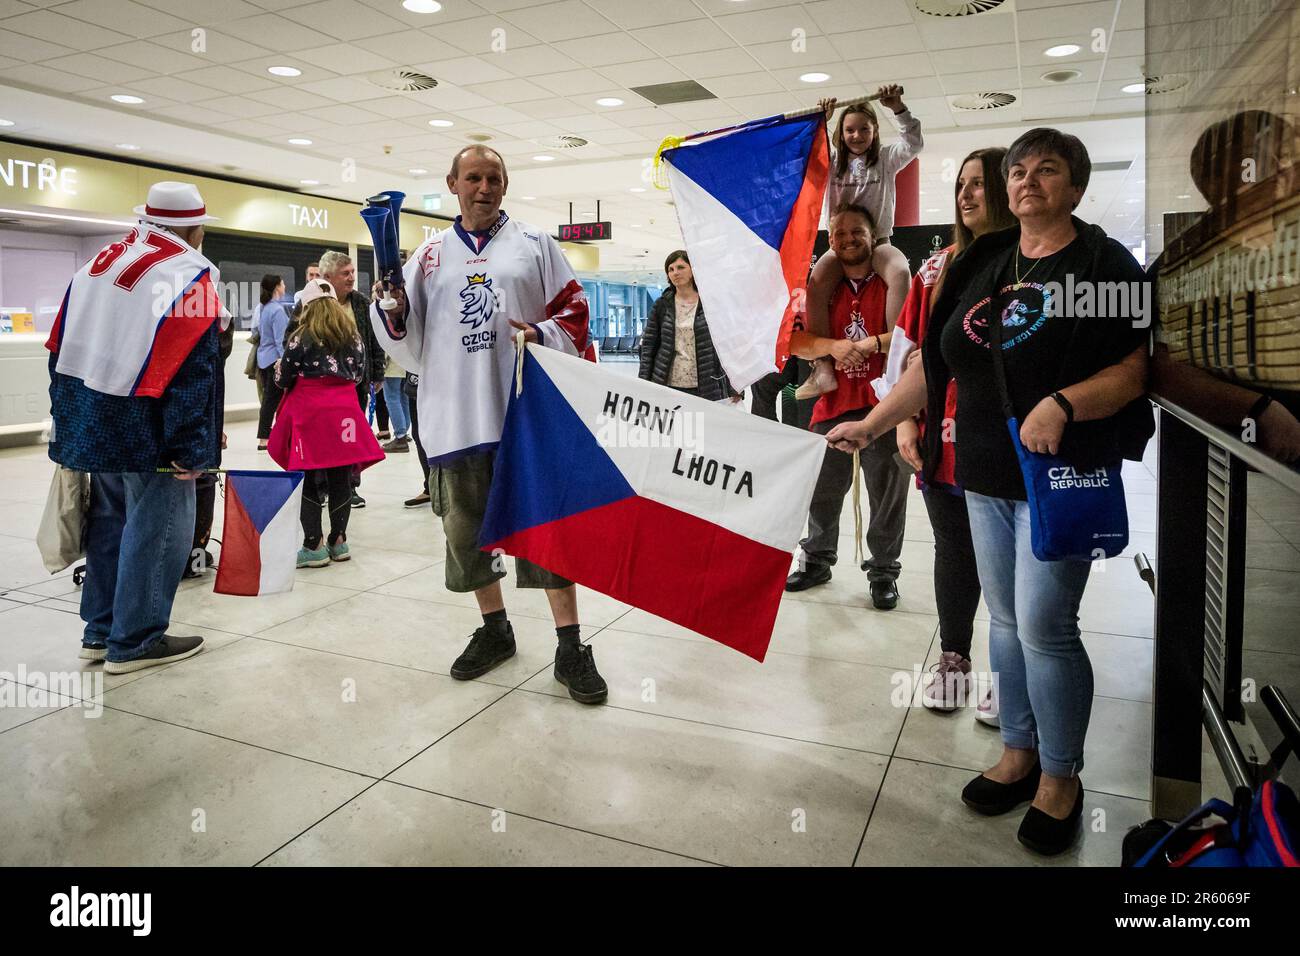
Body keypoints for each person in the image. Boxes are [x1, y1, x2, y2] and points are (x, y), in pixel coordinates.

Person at [828, 129, 1153, 855]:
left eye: (1047, 170)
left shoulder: (1102, 261)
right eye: (1018, 171)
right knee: (1003, 622)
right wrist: (875, 423)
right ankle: (1017, 751)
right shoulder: (981, 260)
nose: (1027, 180)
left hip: (1058, 472)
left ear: (1075, 185)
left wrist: (1066, 404)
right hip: (981, 472)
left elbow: (1136, 369)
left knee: (1045, 625)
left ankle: (1061, 777)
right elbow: (935, 369)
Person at [371, 143, 608, 705]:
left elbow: (575, 314)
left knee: (546, 533)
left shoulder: (535, 245)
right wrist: (393, 313)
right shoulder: (428, 256)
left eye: (494, 178)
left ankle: (570, 645)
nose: (484, 187)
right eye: (473, 177)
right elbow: (407, 337)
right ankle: (495, 629)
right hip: (454, 415)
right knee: (466, 531)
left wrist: (539, 333)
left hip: (526, 414)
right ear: (452, 183)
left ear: (506, 184)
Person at [46, 181, 225, 674]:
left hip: (94, 423)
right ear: (196, 228)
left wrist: (69, 426)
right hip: (151, 429)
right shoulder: (189, 273)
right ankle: (137, 638)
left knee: (110, 524)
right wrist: (193, 447)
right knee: (158, 528)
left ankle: (99, 632)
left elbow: (57, 348)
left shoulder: (97, 264)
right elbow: (193, 369)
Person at [872, 147, 1016, 716]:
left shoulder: (1035, 267)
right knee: (955, 552)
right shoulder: (935, 271)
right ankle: (954, 658)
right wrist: (903, 421)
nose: (967, 194)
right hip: (944, 447)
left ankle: (1015, 675)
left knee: (1013, 564)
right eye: (961, 184)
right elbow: (905, 359)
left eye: (980, 184)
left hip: (1013, 448)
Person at [785, 202, 908, 610]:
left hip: (884, 406)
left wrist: (871, 344)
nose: (848, 239)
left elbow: (910, 336)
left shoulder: (892, 280)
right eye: (839, 234)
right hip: (833, 402)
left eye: (857, 232)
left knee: (886, 493)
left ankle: (884, 571)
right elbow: (797, 342)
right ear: (830, 240)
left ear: (874, 236)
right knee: (822, 489)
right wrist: (834, 347)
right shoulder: (822, 286)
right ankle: (817, 560)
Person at [798, 84, 922, 399]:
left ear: (874, 130)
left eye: (863, 129)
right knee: (817, 281)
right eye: (850, 130)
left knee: (900, 272)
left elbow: (913, 142)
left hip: (877, 242)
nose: (856, 136)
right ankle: (823, 367)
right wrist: (821, 122)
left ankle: (897, 362)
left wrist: (898, 109)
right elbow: (811, 154)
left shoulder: (885, 159)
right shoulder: (834, 160)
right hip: (840, 246)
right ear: (842, 132)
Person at [269, 278, 384, 566]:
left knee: (307, 476)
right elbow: (359, 375)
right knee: (340, 477)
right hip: (345, 410)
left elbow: (284, 379)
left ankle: (313, 545)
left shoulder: (301, 335)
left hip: (310, 412)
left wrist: (279, 370)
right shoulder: (353, 335)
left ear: (306, 306)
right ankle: (339, 541)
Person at [317, 250, 386, 508]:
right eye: (345, 274)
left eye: (352, 272)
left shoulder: (360, 303)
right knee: (325, 437)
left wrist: (377, 372)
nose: (351, 278)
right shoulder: (313, 303)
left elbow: (374, 340)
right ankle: (322, 485)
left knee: (350, 437)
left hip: (355, 386)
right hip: (323, 388)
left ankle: (350, 486)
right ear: (328, 276)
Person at [638, 250, 734, 400]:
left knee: (703, 423)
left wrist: (734, 386)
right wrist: (643, 383)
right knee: (673, 424)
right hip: (667, 385)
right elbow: (648, 348)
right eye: (671, 269)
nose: (675, 272)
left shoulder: (711, 304)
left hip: (706, 385)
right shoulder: (661, 305)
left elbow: (727, 346)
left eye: (681, 267)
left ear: (693, 270)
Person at [254, 274, 289, 452]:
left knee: (268, 399)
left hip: (263, 359)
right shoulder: (277, 310)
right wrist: (285, 362)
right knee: (273, 400)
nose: (284, 286)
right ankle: (265, 437)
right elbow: (281, 340)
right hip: (275, 360)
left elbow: (257, 331)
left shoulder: (263, 308)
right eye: (282, 284)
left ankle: (264, 436)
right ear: (277, 287)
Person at [380, 350, 413, 452]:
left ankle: (400, 436)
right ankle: (404, 432)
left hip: (393, 364)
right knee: (404, 399)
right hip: (407, 364)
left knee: (392, 399)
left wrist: (381, 362)